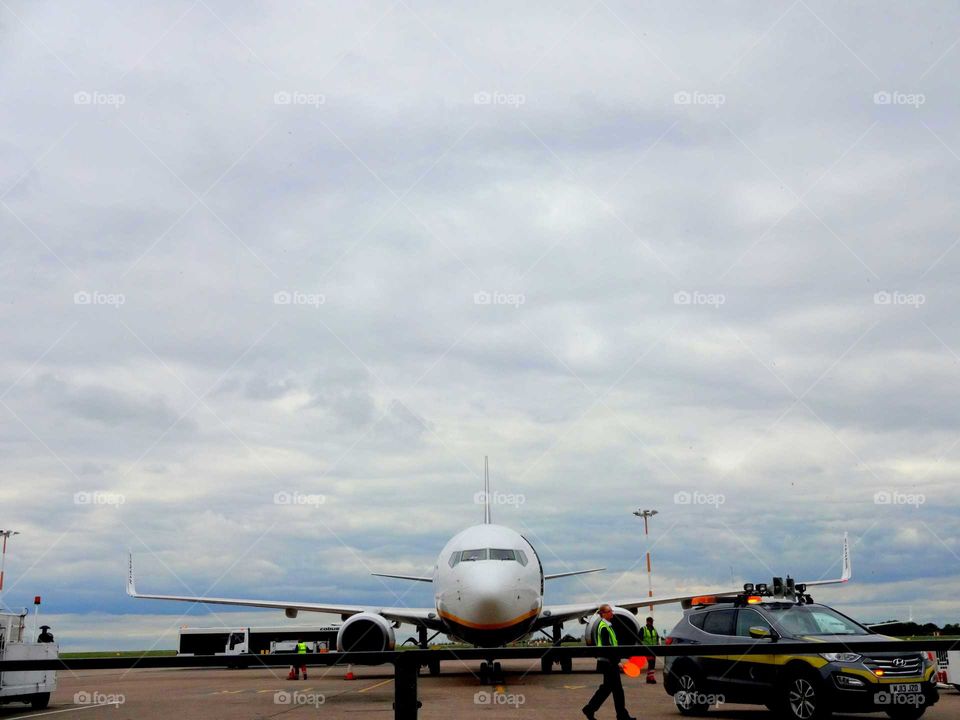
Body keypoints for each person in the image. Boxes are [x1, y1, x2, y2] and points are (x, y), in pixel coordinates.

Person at [582, 604, 636, 720]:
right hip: (608, 663)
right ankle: (621, 716)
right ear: (604, 614)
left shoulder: (608, 626)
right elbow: (607, 648)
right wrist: (617, 662)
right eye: (610, 611)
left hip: (607, 663)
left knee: (607, 689)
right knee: (617, 690)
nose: (612, 613)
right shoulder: (604, 627)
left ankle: (590, 709)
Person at [641, 616, 660, 684]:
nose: (652, 623)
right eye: (651, 621)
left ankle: (649, 677)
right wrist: (643, 646)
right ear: (647, 621)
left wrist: (658, 644)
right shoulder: (643, 629)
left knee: (652, 664)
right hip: (647, 649)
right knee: (651, 663)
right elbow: (639, 638)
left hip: (654, 649)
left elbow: (657, 637)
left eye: (652, 622)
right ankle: (651, 678)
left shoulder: (654, 629)